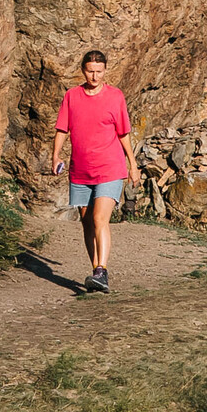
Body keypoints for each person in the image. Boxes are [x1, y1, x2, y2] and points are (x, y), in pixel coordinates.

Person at [51, 51, 133, 292]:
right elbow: (62, 129)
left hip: (110, 167)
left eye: (99, 71)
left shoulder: (115, 96)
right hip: (81, 169)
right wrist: (55, 155)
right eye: (90, 71)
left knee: (100, 219)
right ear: (83, 70)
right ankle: (96, 272)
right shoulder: (72, 96)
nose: (94, 76)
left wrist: (133, 165)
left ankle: (102, 271)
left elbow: (124, 134)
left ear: (105, 70)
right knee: (87, 223)